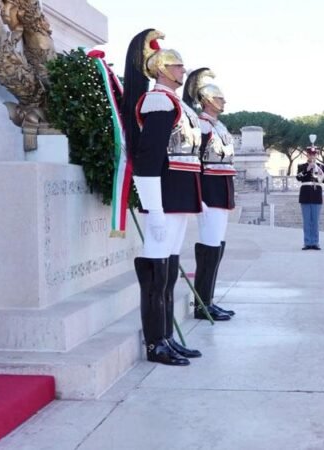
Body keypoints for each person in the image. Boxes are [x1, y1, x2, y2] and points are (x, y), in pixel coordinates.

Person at [122, 29, 202, 366]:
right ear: (161, 69)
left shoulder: (176, 103)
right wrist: (153, 208)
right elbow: (149, 156)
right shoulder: (158, 101)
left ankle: (167, 336)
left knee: (168, 268)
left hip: (180, 194)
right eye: (178, 65)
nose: (183, 71)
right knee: (155, 270)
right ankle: (155, 343)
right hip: (165, 196)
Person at [182, 68, 235, 321]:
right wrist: (197, 194)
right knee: (209, 246)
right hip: (209, 191)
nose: (224, 101)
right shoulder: (202, 126)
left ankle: (209, 300)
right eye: (220, 98)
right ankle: (202, 303)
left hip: (221, 191)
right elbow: (195, 159)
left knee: (217, 247)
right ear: (207, 100)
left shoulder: (219, 125)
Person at [296, 146, 324, 250]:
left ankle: (315, 242)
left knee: (315, 220)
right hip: (305, 194)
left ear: (317, 155)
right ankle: (307, 242)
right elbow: (298, 177)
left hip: (316, 194)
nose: (312, 156)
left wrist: (318, 170)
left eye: (314, 154)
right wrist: (307, 169)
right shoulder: (301, 166)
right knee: (306, 221)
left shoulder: (322, 166)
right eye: (310, 154)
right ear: (307, 155)